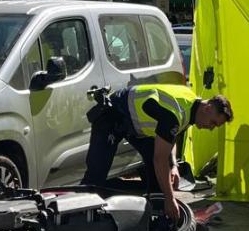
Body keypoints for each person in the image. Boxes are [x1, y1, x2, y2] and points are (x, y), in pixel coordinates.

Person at [83, 84, 233, 221]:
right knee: (97, 172)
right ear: (207, 108)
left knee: (161, 173)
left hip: (135, 124)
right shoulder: (174, 115)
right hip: (113, 113)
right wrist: (170, 198)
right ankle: (81, 216)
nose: (211, 128)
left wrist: (173, 165)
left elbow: (172, 137)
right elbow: (159, 159)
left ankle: (155, 215)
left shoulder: (191, 103)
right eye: (213, 123)